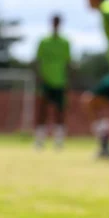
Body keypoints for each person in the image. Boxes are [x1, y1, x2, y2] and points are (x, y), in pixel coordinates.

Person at [83, 0, 109, 159]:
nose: (85, 0)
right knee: (93, 102)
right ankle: (104, 145)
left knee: (90, 102)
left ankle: (104, 146)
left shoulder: (107, 9)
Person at [35, 15, 71, 150]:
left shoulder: (65, 42)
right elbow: (38, 61)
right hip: (46, 81)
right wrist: (39, 77)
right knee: (42, 111)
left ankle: (59, 141)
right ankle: (40, 140)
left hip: (60, 82)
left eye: (57, 22)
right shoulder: (44, 41)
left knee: (60, 112)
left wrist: (67, 80)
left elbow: (68, 63)